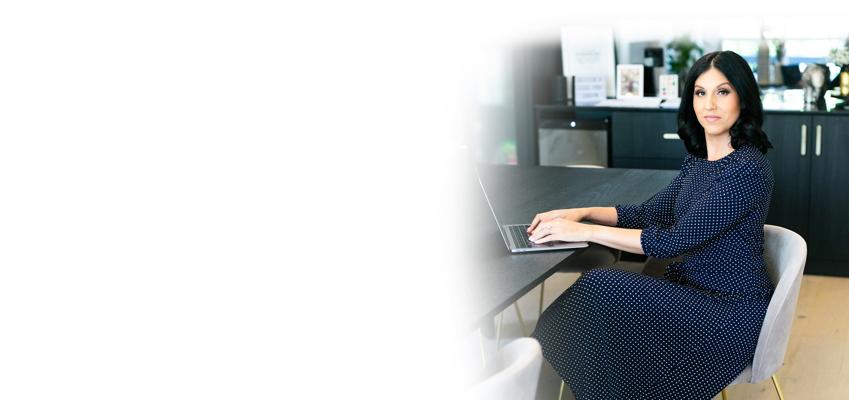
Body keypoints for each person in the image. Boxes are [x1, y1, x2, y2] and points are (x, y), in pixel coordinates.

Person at [527, 50, 775, 400]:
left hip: (729, 312)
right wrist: (581, 213)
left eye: (723, 91)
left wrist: (584, 232)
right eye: (700, 92)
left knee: (601, 286)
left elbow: (672, 242)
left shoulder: (747, 169)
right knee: (592, 310)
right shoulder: (699, 162)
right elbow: (647, 214)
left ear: (743, 98)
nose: (709, 104)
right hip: (694, 293)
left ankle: (576, 384)